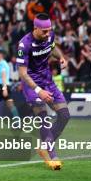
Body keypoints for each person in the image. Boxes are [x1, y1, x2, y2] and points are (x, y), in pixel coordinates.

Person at [17, 13, 70, 171]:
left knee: (65, 115)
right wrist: (38, 91)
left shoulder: (49, 36)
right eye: (44, 31)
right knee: (43, 118)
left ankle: (44, 146)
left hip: (48, 81)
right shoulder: (24, 44)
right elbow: (22, 73)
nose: (48, 34)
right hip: (31, 84)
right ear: (35, 28)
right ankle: (52, 156)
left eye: (49, 30)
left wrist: (61, 58)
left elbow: (53, 48)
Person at [0, 49, 20, 119]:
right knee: (11, 105)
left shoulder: (2, 64)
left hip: (1, 87)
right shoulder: (0, 64)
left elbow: (4, 75)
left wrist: (4, 88)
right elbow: (0, 77)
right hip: (3, 86)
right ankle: (18, 123)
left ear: (0, 55)